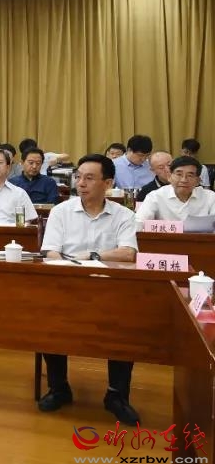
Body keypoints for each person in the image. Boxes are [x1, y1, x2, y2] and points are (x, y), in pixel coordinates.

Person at [39, 154, 140, 426]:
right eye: (78, 177)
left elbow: (128, 253)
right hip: (67, 286)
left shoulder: (124, 215)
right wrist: (73, 266)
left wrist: (92, 256)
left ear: (108, 183)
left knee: (126, 326)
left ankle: (116, 395)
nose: (81, 183)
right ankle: (59, 388)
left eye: (89, 178)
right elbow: (50, 252)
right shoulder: (61, 211)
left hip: (111, 290)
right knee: (48, 321)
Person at [136, 156, 215, 223]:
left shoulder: (210, 197)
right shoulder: (155, 196)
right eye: (179, 174)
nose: (184, 180)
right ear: (170, 177)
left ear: (198, 181)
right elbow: (139, 222)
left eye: (190, 175)